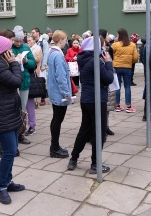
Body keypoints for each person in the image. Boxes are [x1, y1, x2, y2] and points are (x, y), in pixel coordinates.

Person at [0, 35, 26, 205]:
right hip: (2, 112)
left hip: (7, 110)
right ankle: (0, 186)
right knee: (9, 152)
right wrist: (15, 63)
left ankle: (7, 181)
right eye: (9, 48)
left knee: (12, 148)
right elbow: (17, 81)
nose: (12, 51)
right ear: (4, 52)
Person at [67, 36, 115, 174]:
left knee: (84, 130)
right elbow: (109, 78)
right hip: (97, 100)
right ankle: (95, 164)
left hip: (86, 99)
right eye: (102, 45)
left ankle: (73, 159)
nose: (103, 48)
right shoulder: (96, 61)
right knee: (98, 133)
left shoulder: (84, 58)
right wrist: (108, 63)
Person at [47, 30, 73, 158]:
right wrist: (67, 94)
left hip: (54, 91)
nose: (66, 42)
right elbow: (61, 77)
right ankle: (54, 147)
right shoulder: (58, 55)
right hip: (59, 93)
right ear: (61, 40)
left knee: (55, 119)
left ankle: (55, 146)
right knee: (58, 120)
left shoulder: (52, 52)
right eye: (65, 39)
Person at [10, 26, 36, 139]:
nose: (19, 43)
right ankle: (13, 131)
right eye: (16, 41)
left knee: (23, 108)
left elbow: (33, 63)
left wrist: (25, 61)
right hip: (12, 80)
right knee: (13, 107)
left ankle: (21, 132)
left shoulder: (26, 47)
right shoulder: (9, 47)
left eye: (21, 41)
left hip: (24, 80)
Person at [111, 28, 139, 113]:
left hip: (117, 66)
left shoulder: (115, 45)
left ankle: (117, 105)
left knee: (117, 87)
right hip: (127, 67)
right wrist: (130, 62)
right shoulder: (132, 45)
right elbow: (135, 58)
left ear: (120, 35)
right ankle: (128, 106)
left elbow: (110, 55)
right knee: (127, 87)